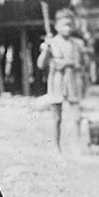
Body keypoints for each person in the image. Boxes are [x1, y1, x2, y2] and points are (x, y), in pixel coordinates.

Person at [37, 8, 86, 152]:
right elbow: (40, 64)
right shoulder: (50, 44)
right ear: (56, 26)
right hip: (57, 82)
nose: (67, 28)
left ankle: (76, 146)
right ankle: (56, 147)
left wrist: (71, 63)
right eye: (64, 25)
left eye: (70, 25)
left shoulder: (76, 44)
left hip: (72, 81)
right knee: (57, 118)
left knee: (76, 116)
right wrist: (46, 50)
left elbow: (81, 64)